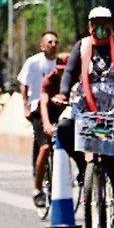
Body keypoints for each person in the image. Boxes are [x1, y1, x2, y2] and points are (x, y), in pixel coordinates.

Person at [54, 7, 114, 228]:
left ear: (111, 25)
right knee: (64, 126)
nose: (100, 28)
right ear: (89, 26)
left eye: (105, 23)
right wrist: (63, 92)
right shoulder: (82, 46)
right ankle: (84, 168)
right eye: (96, 23)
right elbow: (70, 71)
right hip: (85, 101)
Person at [18, 31, 60, 208]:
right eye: (49, 42)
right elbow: (24, 85)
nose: (53, 45)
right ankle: (37, 189)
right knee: (44, 146)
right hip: (38, 109)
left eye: (56, 42)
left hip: (59, 107)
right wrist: (26, 106)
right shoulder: (33, 62)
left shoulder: (62, 63)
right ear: (42, 45)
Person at [38, 51, 76, 188]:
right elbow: (43, 103)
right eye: (61, 71)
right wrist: (47, 124)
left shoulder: (77, 81)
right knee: (46, 147)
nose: (63, 75)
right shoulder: (48, 81)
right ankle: (37, 188)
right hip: (48, 113)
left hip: (68, 115)